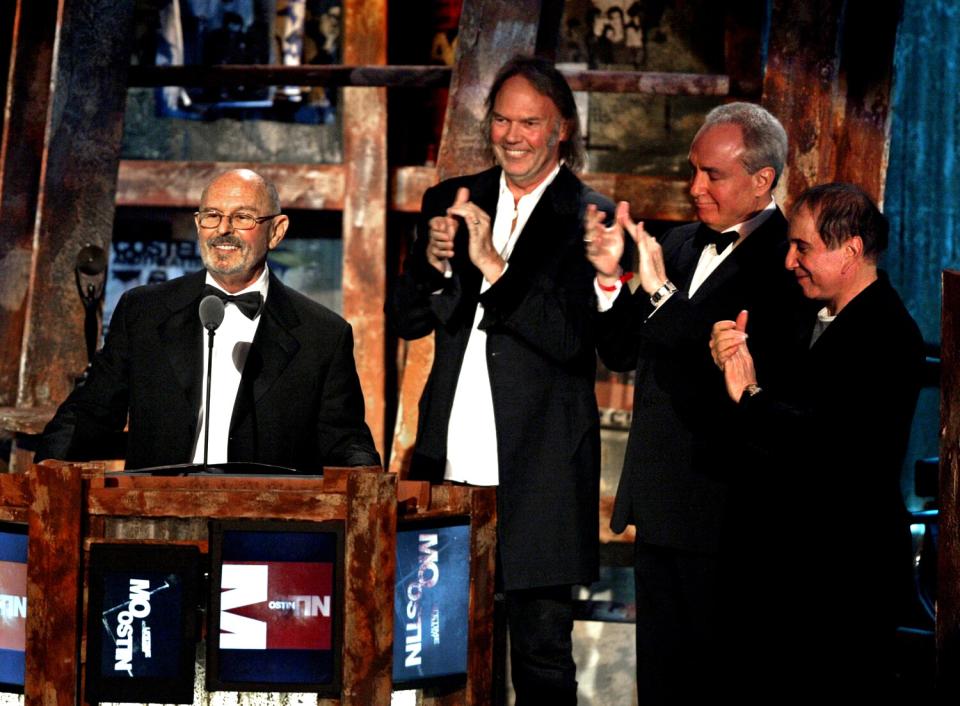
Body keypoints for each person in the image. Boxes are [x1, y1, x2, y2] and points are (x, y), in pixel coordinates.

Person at [389, 56, 614, 704]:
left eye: (530, 123)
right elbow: (407, 321)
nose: (513, 136)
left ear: (562, 129)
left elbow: (574, 341)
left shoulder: (588, 219)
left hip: (541, 470)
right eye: (502, 121)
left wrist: (493, 265)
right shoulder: (451, 202)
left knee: (542, 658)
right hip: (449, 460)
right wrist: (432, 267)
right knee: (440, 652)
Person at [584, 102, 809, 703]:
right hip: (660, 502)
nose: (695, 186)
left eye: (713, 174)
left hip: (728, 512)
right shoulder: (680, 244)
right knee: (660, 679)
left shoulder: (790, 263)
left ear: (762, 180)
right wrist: (613, 281)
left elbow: (729, 370)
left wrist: (658, 294)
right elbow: (625, 351)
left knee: (721, 681)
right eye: (693, 170)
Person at [709, 183, 924, 699]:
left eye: (802, 247)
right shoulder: (804, 318)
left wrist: (752, 395)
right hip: (779, 576)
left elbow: (833, 448)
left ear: (850, 250)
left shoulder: (889, 335)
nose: (789, 261)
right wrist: (729, 356)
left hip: (841, 583)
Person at [37, 168, 379, 472]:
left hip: (266, 525)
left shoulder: (323, 334)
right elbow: (90, 412)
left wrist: (367, 489)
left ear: (276, 231)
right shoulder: (143, 311)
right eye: (212, 216)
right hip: (155, 517)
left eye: (243, 217)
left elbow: (344, 440)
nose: (224, 230)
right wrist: (45, 473)